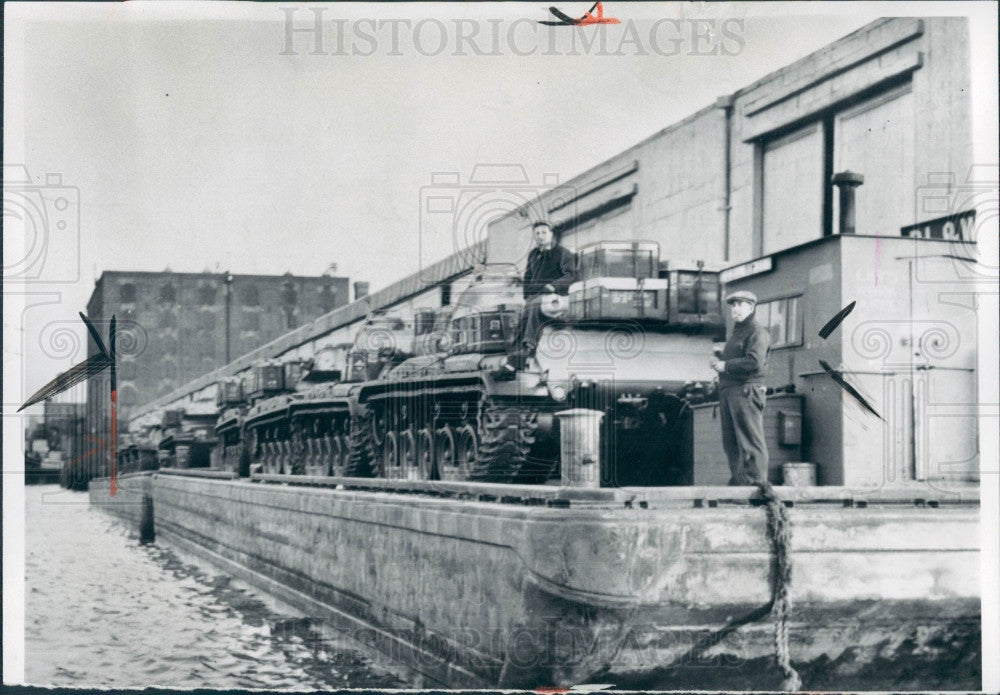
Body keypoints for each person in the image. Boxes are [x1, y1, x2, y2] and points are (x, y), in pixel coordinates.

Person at [710, 290, 771, 485]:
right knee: (732, 443)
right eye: (733, 305)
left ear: (751, 307)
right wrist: (720, 362)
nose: (735, 309)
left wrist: (725, 365)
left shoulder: (757, 332)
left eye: (740, 305)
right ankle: (740, 487)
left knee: (750, 442)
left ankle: (756, 488)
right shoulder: (739, 332)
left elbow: (754, 362)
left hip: (745, 391)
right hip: (731, 391)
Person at [503, 221, 575, 372]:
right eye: (537, 234)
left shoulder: (562, 253)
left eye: (543, 232)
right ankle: (512, 362)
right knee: (522, 320)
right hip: (535, 298)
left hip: (556, 297)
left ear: (551, 234)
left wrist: (552, 286)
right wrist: (526, 296)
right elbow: (528, 277)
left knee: (534, 306)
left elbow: (571, 275)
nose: (540, 236)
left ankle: (529, 345)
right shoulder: (533, 255)